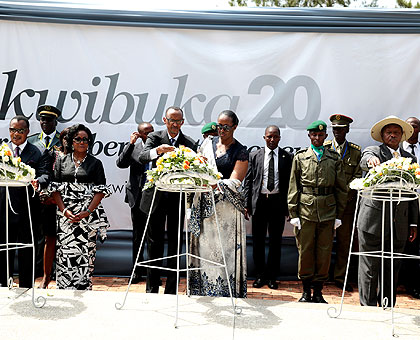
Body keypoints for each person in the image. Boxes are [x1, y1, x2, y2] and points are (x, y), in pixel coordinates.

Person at [358, 116, 418, 306]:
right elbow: (365, 159)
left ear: (402, 136)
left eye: (396, 132)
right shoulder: (373, 151)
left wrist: (414, 222)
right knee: (369, 266)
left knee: (392, 267)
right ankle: (367, 308)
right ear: (382, 135)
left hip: (399, 223)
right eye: (388, 132)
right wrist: (371, 161)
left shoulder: (410, 159)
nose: (392, 135)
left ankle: (386, 306)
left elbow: (412, 191)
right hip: (373, 221)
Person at [189, 110, 249, 298]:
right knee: (206, 251)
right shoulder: (207, 144)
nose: (221, 130)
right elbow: (196, 167)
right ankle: (203, 290)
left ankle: (226, 292)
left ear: (235, 127)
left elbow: (235, 181)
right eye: (218, 126)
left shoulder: (241, 151)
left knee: (224, 252)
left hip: (227, 212)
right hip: (205, 207)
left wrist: (216, 183)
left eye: (226, 127)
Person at [139, 106, 197, 294]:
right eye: (171, 120)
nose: (175, 124)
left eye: (178, 121)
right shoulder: (155, 138)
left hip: (176, 199)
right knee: (154, 244)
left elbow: (194, 168)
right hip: (155, 198)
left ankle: (171, 290)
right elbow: (142, 156)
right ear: (165, 120)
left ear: (182, 122)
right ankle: (152, 288)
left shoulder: (188, 142)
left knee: (175, 243)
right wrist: (157, 151)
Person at [288, 120, 347, 304]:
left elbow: (341, 188)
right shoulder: (300, 157)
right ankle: (306, 291)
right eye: (314, 135)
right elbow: (293, 186)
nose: (317, 138)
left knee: (324, 252)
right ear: (309, 136)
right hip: (305, 209)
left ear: (325, 136)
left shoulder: (334, 157)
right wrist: (294, 213)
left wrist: (339, 215)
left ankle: (319, 291)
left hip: (328, 211)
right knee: (305, 251)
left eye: (320, 135)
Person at [49, 124, 111, 290]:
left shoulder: (95, 163)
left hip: (87, 216)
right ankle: (63, 288)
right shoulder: (61, 161)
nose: (82, 142)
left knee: (85, 251)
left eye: (85, 139)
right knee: (66, 252)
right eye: (78, 139)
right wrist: (64, 210)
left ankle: (84, 287)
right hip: (65, 215)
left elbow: (100, 191)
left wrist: (88, 211)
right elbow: (55, 189)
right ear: (71, 141)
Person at [0, 116, 49, 288]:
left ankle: (26, 287)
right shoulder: (2, 151)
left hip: (28, 209)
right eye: (13, 130)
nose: (16, 134)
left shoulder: (38, 151)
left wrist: (39, 181)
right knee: (4, 248)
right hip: (4, 208)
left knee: (27, 249)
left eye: (20, 130)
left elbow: (44, 175)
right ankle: (3, 285)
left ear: (27, 132)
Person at [243, 125, 292, 290]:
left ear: (280, 138)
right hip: (260, 203)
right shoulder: (255, 156)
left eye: (275, 137)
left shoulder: (287, 157)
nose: (272, 140)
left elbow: (290, 184)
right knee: (258, 241)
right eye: (269, 137)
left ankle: (272, 277)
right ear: (264, 137)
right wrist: (246, 205)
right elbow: (248, 181)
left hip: (277, 202)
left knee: (275, 242)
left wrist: (289, 207)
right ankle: (259, 276)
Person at [324, 114, 361, 292]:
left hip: (346, 205)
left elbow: (358, 175)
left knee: (345, 243)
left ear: (347, 130)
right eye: (334, 129)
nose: (337, 132)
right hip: (327, 205)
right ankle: (322, 276)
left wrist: (344, 191)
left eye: (340, 129)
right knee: (324, 241)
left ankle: (340, 277)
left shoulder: (355, 151)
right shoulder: (324, 148)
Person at [27, 105, 62, 289]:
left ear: (55, 121)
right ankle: (36, 271)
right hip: (36, 195)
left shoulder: (63, 140)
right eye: (42, 119)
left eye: (49, 120)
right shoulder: (32, 140)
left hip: (58, 196)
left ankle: (54, 272)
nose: (45, 123)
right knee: (37, 234)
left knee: (54, 235)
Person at [116, 122, 154, 284]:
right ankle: (136, 272)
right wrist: (130, 144)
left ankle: (153, 273)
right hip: (137, 197)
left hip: (154, 196)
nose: (150, 135)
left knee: (153, 237)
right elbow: (121, 163)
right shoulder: (134, 147)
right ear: (139, 135)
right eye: (146, 133)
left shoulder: (160, 147)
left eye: (152, 131)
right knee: (138, 237)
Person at [37, 127, 70, 289]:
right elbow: (44, 175)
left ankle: (64, 276)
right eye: (64, 137)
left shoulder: (82, 158)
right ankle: (46, 277)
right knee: (50, 240)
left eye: (71, 138)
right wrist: (47, 194)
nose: (67, 141)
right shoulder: (52, 154)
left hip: (72, 205)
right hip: (51, 203)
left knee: (68, 242)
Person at [399, 117, 420, 299]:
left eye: (415, 127)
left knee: (415, 243)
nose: (412, 130)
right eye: (410, 127)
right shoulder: (398, 152)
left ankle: (413, 284)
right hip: (403, 203)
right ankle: (398, 281)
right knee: (402, 242)